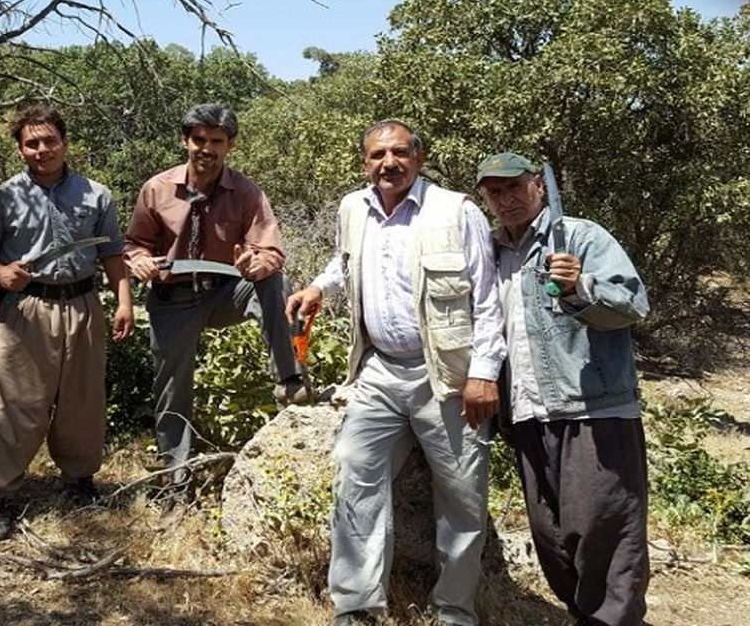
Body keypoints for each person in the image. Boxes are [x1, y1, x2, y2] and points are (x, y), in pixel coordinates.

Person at [285, 119, 506, 626]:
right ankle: (359, 606)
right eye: (377, 156)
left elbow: (488, 301)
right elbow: (347, 262)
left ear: (419, 157)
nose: (389, 163)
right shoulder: (352, 207)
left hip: (447, 377)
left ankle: (454, 610)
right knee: (354, 477)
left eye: (400, 153)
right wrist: (320, 286)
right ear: (365, 163)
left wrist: (484, 374)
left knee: (462, 497)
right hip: (378, 372)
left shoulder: (457, 211)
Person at [475, 152, 650, 626]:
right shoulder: (490, 251)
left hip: (591, 410)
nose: (506, 199)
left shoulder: (580, 236)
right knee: (552, 539)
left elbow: (633, 303)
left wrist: (580, 287)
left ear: (536, 185)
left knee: (603, 535)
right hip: (527, 413)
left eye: (514, 187)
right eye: (495, 192)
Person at [0, 105, 133, 540]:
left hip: (83, 304)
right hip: (26, 309)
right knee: (15, 402)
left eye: (50, 140)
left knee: (83, 398)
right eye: (32, 143)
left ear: (64, 141)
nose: (43, 149)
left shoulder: (96, 194)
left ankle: (79, 480)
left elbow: (112, 252)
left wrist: (123, 301)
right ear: (21, 149)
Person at [125, 103, 309, 494]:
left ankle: (289, 378)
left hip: (226, 292)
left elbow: (271, 251)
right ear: (185, 141)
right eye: (199, 140)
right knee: (172, 390)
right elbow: (136, 244)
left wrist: (257, 263)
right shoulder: (156, 189)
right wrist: (140, 262)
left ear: (230, 145)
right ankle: (177, 482)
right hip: (172, 297)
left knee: (275, 281)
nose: (206, 149)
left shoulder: (246, 192)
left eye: (216, 141)